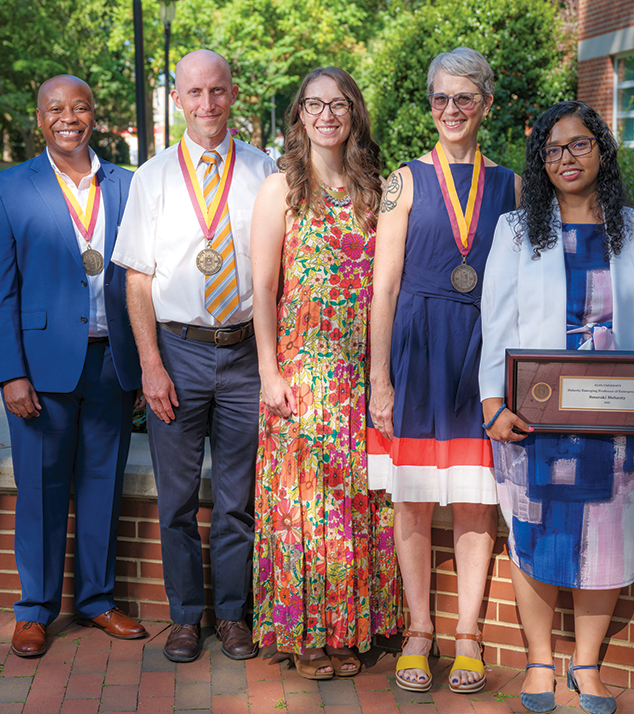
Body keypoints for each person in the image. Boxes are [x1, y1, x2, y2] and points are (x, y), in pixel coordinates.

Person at [479, 100, 634, 714]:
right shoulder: (516, 231)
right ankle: (541, 663)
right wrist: (493, 403)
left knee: (609, 536)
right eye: (551, 150)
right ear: (539, 162)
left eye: (577, 145)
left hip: (616, 422)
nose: (564, 159)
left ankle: (589, 666)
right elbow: (496, 326)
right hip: (534, 416)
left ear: (602, 150)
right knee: (531, 529)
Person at [112, 49, 278, 664]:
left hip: (242, 356)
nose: (207, 104)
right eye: (194, 93)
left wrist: (271, 363)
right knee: (177, 499)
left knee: (238, 500)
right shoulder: (151, 178)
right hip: (177, 355)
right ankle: (185, 617)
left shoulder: (267, 172)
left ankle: (233, 615)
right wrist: (150, 365)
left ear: (233, 93)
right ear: (177, 98)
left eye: (217, 91)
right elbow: (136, 281)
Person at [0, 75, 146, 659]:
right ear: (39, 118)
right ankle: (36, 610)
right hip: (41, 370)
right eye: (55, 108)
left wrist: (150, 364)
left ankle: (97, 601)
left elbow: (149, 278)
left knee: (103, 488)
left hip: (112, 362)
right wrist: (10, 373)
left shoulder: (129, 184)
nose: (67, 117)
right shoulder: (6, 189)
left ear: (93, 115)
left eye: (79, 107)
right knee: (42, 492)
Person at [367, 47, 521, 693]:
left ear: (485, 103)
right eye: (441, 99)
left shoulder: (513, 184)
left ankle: (467, 637)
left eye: (464, 98)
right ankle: (419, 631)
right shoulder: (402, 180)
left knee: (474, 504)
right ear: (429, 105)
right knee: (412, 501)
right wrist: (379, 378)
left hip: (480, 356)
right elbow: (383, 286)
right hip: (418, 351)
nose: (451, 110)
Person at [250, 66, 388, 680]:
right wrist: (268, 372)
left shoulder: (373, 191)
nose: (327, 114)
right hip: (301, 375)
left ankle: (345, 629)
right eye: (314, 104)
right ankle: (305, 634)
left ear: (354, 112)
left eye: (338, 104)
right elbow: (261, 287)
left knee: (351, 504)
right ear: (299, 114)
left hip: (358, 378)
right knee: (302, 506)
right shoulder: (279, 188)